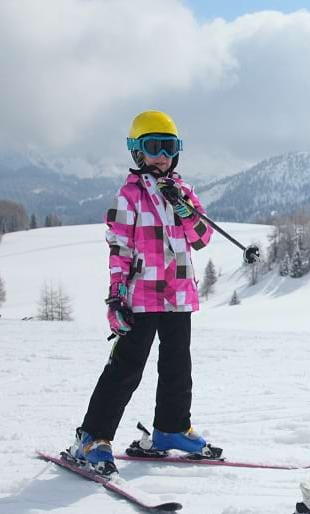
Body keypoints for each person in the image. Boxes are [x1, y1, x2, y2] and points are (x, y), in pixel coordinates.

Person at [66, 110, 220, 477]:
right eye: (154, 147)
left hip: (179, 294)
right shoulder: (130, 195)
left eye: (169, 148)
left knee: (177, 365)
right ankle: (92, 437)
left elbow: (202, 239)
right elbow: (119, 249)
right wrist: (116, 297)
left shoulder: (184, 192)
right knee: (126, 367)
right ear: (138, 152)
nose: (162, 156)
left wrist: (183, 207)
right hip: (141, 295)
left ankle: (171, 428)